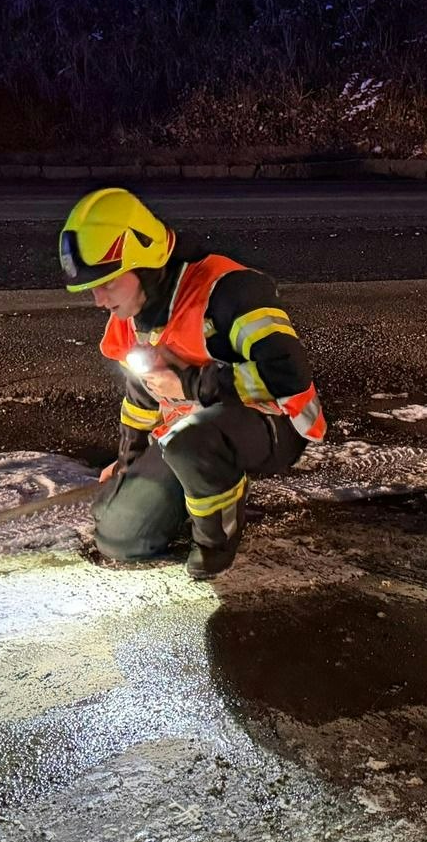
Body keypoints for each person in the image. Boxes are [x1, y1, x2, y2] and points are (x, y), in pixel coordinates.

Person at [59, 187, 326, 579]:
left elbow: (288, 373)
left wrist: (189, 386)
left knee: (192, 443)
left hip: (272, 424)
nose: (99, 299)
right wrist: (128, 464)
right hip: (192, 433)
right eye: (92, 287)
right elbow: (140, 394)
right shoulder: (133, 308)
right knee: (119, 535)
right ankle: (199, 484)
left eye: (107, 283)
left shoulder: (230, 290)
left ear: (144, 263)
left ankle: (218, 539)